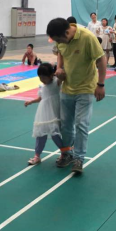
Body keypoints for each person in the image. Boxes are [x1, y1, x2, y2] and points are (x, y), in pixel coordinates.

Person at [47, 18, 107, 174]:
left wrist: (101, 84)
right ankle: (67, 153)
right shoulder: (61, 40)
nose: (58, 43)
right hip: (67, 87)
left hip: (86, 88)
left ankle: (79, 158)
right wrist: (59, 68)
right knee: (65, 124)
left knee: (81, 124)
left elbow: (101, 59)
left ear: (67, 32)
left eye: (59, 39)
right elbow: (60, 52)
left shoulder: (88, 37)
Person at [24, 63, 70, 166]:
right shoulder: (41, 86)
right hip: (43, 113)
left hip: (55, 111)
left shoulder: (56, 82)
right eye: (40, 78)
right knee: (40, 134)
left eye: (44, 78)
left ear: (51, 75)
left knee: (55, 133)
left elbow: (63, 75)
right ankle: (37, 156)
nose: (42, 80)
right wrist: (31, 102)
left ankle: (64, 153)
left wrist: (58, 69)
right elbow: (40, 98)